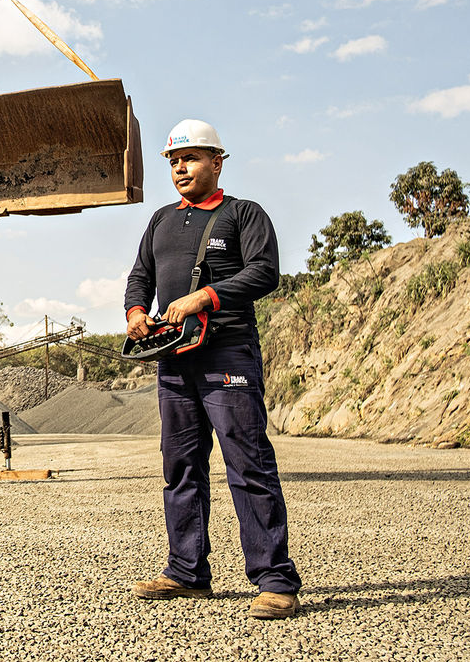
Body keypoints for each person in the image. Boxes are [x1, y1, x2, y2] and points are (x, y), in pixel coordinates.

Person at [124, 118, 301, 620]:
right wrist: (136, 312)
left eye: (191, 158)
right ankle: (186, 572)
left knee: (248, 464)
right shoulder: (160, 220)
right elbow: (140, 276)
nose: (181, 167)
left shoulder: (243, 214)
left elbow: (265, 272)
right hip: (174, 360)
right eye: (174, 160)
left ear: (217, 162)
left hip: (228, 353)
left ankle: (275, 580)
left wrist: (205, 296)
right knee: (180, 465)